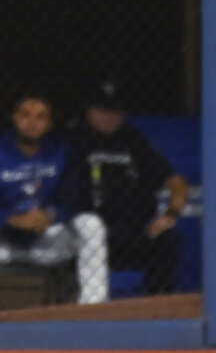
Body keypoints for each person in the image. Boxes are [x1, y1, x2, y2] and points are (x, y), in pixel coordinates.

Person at [0, 92, 109, 315]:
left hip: (47, 239)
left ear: (50, 124)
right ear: (14, 117)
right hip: (1, 241)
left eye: (41, 117)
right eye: (25, 115)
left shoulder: (62, 152)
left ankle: (92, 308)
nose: (32, 123)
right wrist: (9, 218)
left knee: (91, 223)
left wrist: (49, 215)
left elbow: (78, 200)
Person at [66, 80, 188, 294]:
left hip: (133, 231)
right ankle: (87, 311)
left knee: (169, 239)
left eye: (115, 111)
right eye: (103, 110)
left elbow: (177, 184)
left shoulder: (133, 140)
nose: (110, 117)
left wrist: (170, 214)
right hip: (89, 233)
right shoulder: (72, 140)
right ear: (89, 111)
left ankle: (155, 307)